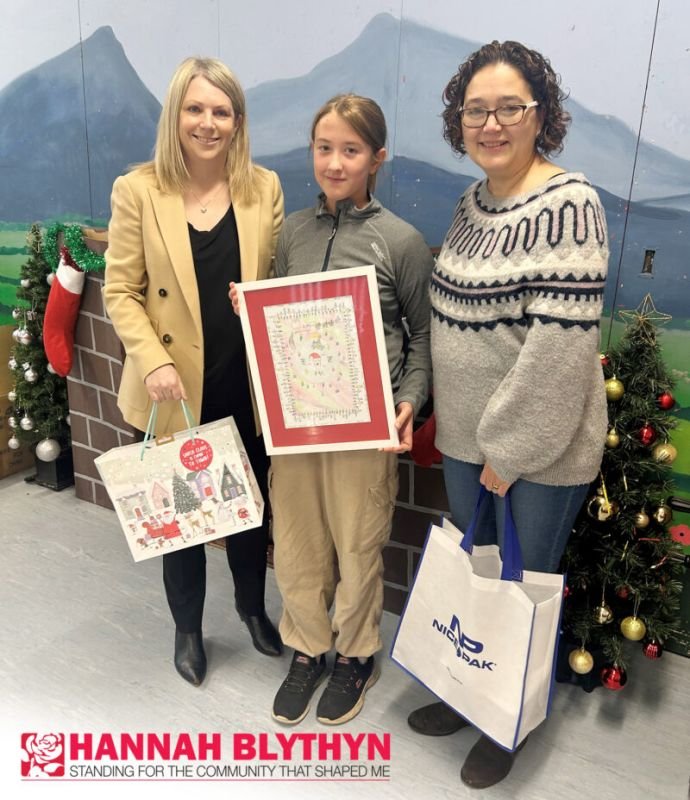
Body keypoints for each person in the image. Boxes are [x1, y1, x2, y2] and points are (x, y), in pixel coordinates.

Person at [407, 41, 609, 788]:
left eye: (509, 109)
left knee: (524, 588)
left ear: (541, 115)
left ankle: (508, 721)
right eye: (475, 111)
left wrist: (511, 449)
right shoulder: (473, 203)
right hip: (468, 442)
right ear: (458, 121)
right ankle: (469, 690)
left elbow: (560, 351)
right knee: (478, 574)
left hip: (538, 449)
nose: (490, 124)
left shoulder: (571, 205)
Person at [241, 94, 433, 726]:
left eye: (351, 150)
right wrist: (253, 311)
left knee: (357, 546)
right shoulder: (293, 233)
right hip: (297, 425)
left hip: (364, 431)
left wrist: (409, 401)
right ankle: (307, 647)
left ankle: (355, 655)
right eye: (324, 148)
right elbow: (278, 321)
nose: (335, 162)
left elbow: (423, 338)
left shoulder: (400, 241)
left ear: (377, 158)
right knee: (297, 545)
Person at [103, 56, 284, 687]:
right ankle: (187, 628)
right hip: (171, 386)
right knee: (179, 516)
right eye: (196, 109)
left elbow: (277, 281)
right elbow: (121, 291)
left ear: (238, 121)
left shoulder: (264, 188)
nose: (208, 123)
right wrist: (152, 360)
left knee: (248, 507)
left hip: (243, 381)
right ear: (176, 114)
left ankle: (252, 608)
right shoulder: (138, 190)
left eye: (222, 111)